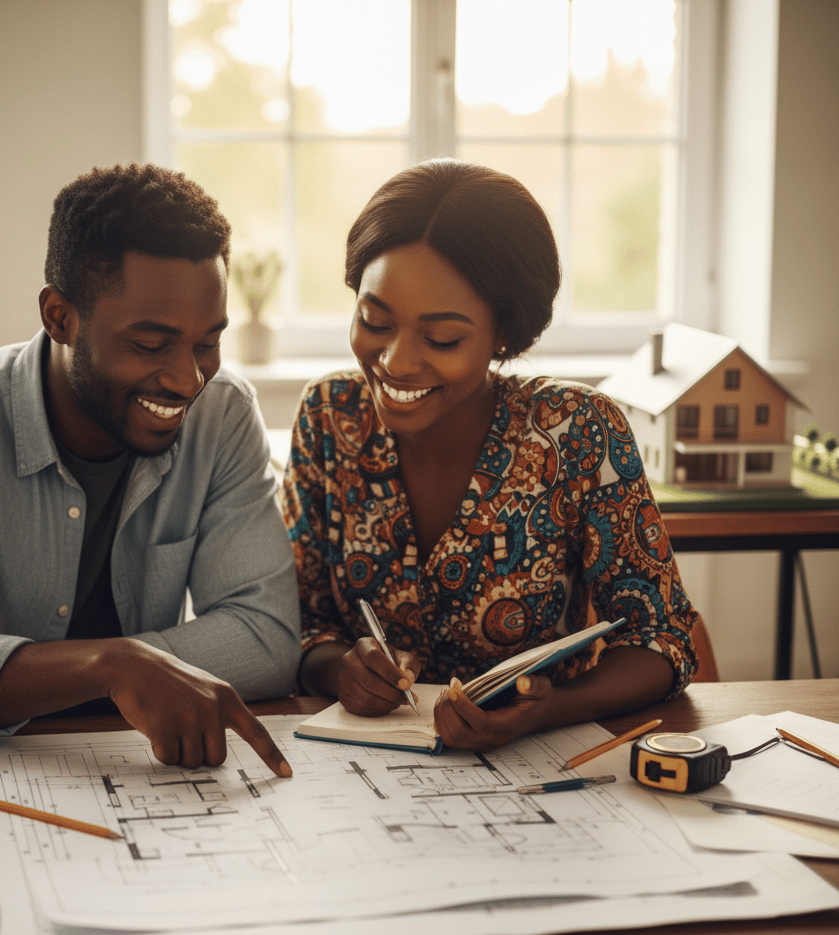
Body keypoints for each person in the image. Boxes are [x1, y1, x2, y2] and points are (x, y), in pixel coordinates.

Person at [0, 163, 299, 776]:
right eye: (151, 344)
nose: (189, 379)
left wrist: (120, 670)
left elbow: (265, 638)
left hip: (137, 777)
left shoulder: (223, 414)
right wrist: (109, 668)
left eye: (207, 342)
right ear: (60, 317)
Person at [281, 159, 697, 751]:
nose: (396, 362)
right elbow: (299, 620)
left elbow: (663, 640)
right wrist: (338, 668)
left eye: (442, 339)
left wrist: (551, 710)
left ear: (503, 332)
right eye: (375, 320)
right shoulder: (329, 416)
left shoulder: (578, 432)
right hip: (360, 771)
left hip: (540, 773)